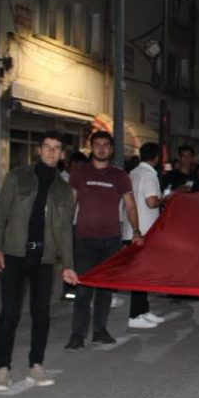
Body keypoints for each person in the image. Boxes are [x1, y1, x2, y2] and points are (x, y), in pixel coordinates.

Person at [0, 131, 75, 391]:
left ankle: (36, 366)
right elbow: (1, 213)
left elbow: (65, 230)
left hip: (44, 258)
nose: (51, 152)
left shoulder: (64, 190)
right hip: (14, 254)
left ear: (61, 154)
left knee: (41, 314)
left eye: (56, 148)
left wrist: (68, 264)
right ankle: (2, 370)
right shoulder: (18, 177)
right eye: (47, 147)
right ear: (39, 150)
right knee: (10, 313)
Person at [63, 131, 143, 351]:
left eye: (105, 145)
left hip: (111, 240)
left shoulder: (120, 176)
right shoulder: (80, 173)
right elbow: (70, 205)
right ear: (91, 147)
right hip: (84, 239)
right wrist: (63, 235)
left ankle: (100, 331)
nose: (101, 148)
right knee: (83, 290)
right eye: (97, 144)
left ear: (111, 148)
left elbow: (130, 205)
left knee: (105, 288)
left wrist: (136, 231)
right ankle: (77, 334)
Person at [123, 142, 166, 329]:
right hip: (144, 230)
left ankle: (143, 310)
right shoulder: (149, 175)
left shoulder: (133, 173)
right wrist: (166, 198)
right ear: (156, 157)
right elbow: (151, 202)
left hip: (132, 229)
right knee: (141, 274)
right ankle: (135, 315)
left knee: (142, 272)